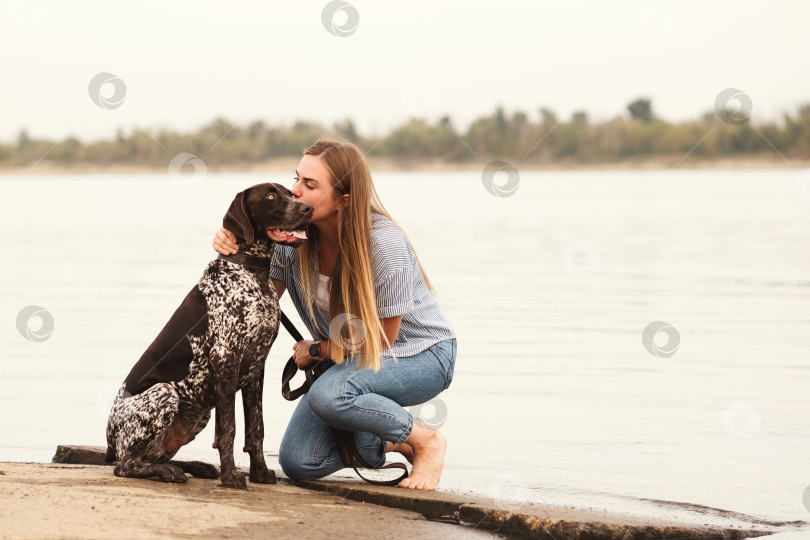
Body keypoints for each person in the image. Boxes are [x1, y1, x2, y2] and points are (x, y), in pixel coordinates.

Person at [212, 139, 457, 490]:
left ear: (344, 200)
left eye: (310, 186)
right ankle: (389, 440)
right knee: (299, 461)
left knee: (330, 396)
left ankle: (426, 441)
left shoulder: (384, 245)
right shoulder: (291, 241)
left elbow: (384, 338)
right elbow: (257, 301)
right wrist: (234, 241)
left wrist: (318, 351)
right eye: (296, 179)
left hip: (421, 354)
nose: (294, 192)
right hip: (351, 357)